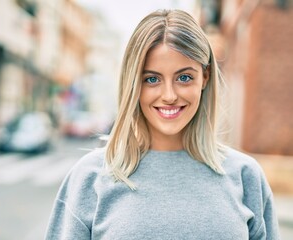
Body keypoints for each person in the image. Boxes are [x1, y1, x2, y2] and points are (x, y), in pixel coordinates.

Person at [45, 9, 280, 239]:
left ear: (205, 77)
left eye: (184, 77)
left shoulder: (245, 176)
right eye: (152, 79)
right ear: (133, 83)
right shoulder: (91, 177)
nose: (169, 95)